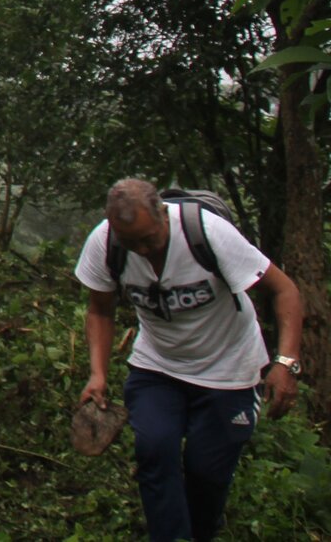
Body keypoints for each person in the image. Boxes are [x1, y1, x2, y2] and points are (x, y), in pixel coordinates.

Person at [75, 179, 301, 542]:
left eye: (149, 239)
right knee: (154, 449)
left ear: (163, 215)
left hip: (229, 370)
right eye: (132, 243)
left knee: (206, 474)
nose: (143, 250)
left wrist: (285, 363)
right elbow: (100, 309)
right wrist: (97, 374)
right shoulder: (105, 243)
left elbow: (284, 289)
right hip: (158, 366)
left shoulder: (208, 234)